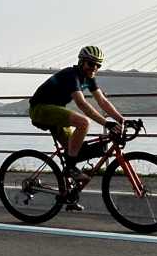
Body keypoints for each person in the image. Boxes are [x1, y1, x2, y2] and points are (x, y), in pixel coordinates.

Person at [29, 46, 129, 204]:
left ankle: (68, 195)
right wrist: (106, 123)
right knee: (83, 122)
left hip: (56, 111)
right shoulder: (71, 75)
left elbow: (102, 101)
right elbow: (82, 104)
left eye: (98, 65)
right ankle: (70, 169)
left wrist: (122, 120)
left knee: (74, 151)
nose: (94, 68)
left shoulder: (89, 78)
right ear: (81, 62)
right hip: (40, 109)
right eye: (91, 63)